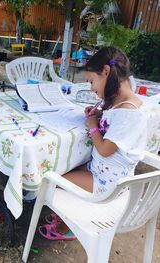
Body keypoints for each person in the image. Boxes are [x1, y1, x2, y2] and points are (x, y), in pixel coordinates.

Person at [39, 46, 147, 240]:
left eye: (91, 81)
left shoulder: (129, 112)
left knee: (50, 182)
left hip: (107, 184)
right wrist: (99, 115)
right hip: (101, 172)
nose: (91, 88)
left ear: (105, 72)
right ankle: (68, 215)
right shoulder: (120, 105)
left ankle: (69, 227)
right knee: (61, 171)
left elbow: (105, 149)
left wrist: (93, 126)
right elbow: (114, 129)